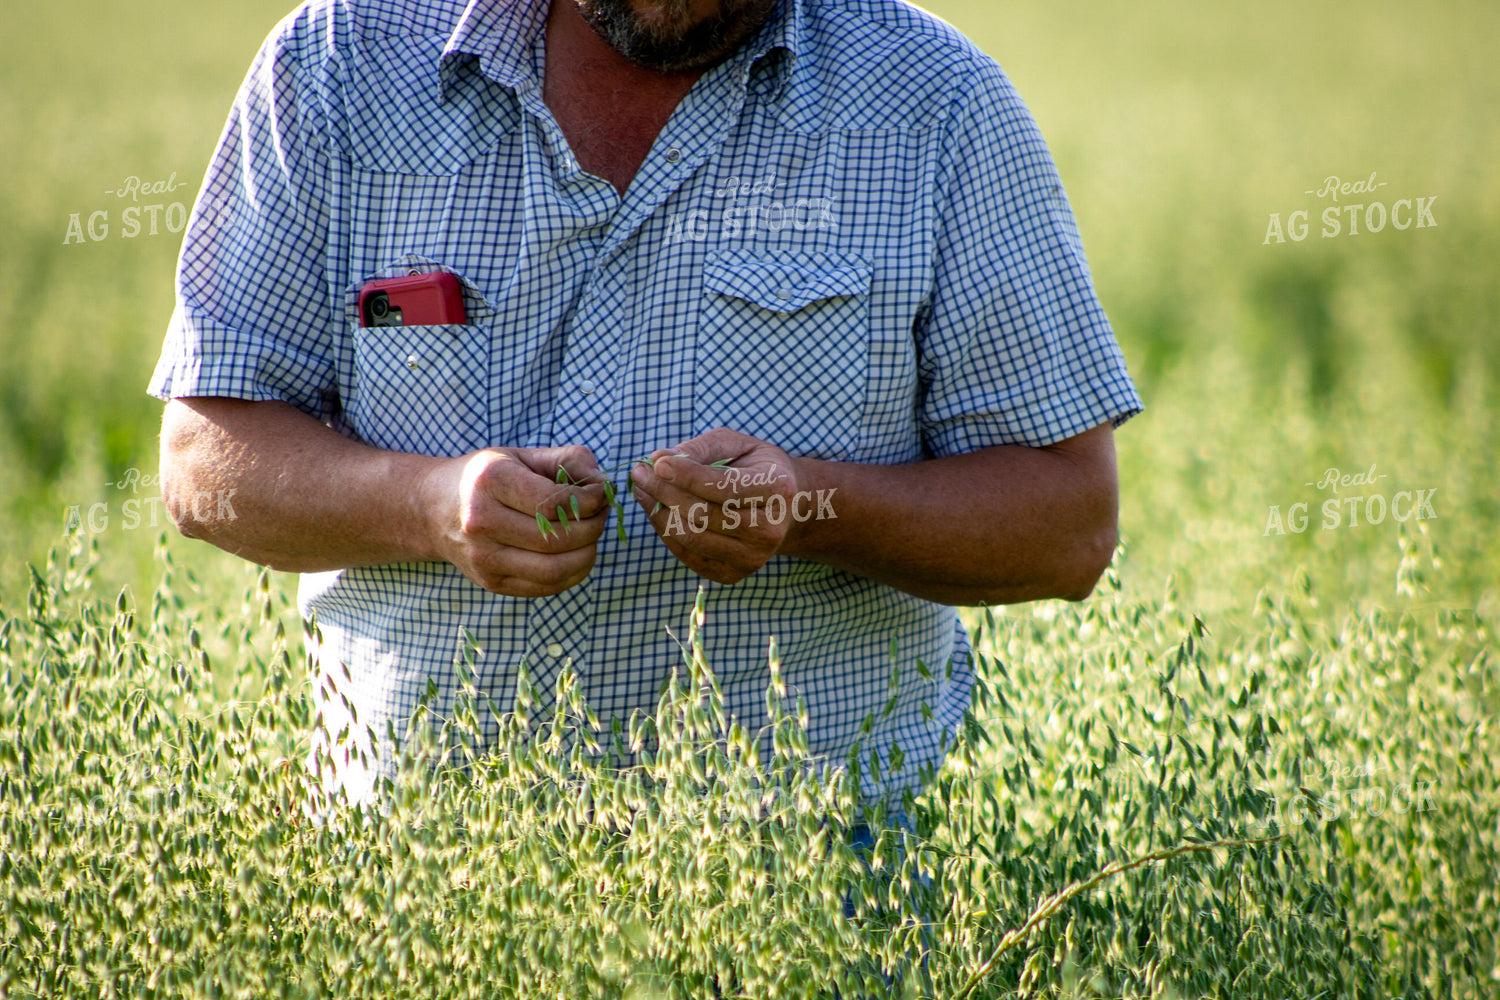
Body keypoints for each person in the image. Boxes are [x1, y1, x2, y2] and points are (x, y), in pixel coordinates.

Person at [152, 0, 1142, 839]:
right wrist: (428, 503)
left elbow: (1068, 522)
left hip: (822, 895)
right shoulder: (336, 64)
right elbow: (202, 457)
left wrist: (810, 507)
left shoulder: (936, 102)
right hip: (423, 885)